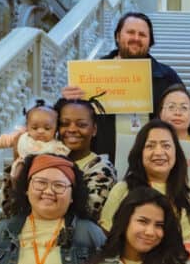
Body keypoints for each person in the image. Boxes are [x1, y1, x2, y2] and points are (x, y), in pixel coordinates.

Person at [62, 12, 182, 161]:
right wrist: (67, 101)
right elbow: (72, 120)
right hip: (102, 158)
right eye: (130, 32)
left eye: (142, 34)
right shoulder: (92, 74)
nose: (136, 38)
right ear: (118, 36)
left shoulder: (166, 77)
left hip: (152, 159)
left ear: (150, 40)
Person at [99, 120, 190, 240]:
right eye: (150, 146)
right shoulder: (122, 190)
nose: (158, 152)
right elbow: (106, 235)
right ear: (140, 153)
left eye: (166, 145)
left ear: (176, 153)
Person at [54, 96, 117, 222]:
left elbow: (88, 211)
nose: (72, 129)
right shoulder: (44, 159)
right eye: (64, 124)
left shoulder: (102, 167)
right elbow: (11, 205)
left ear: (94, 130)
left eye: (81, 124)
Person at [0, 100, 71, 177]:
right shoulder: (22, 137)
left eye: (47, 128)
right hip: (21, 176)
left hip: (45, 176)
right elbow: (5, 140)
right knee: (20, 168)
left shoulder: (56, 144)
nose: (40, 131)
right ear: (27, 126)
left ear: (55, 129)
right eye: (35, 128)